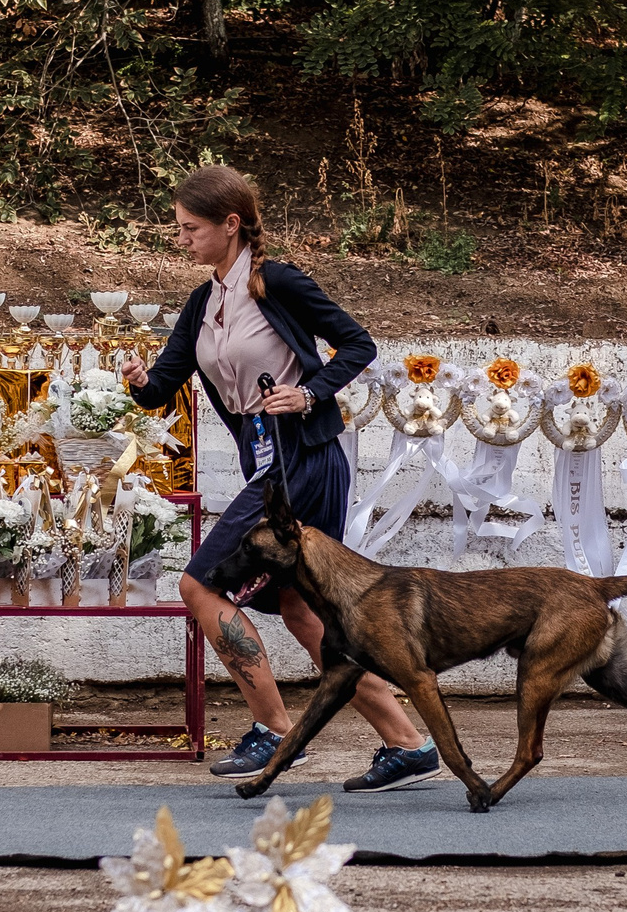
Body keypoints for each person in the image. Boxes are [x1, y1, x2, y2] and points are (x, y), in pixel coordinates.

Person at [120, 165, 442, 790]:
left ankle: (274, 732)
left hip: (304, 461)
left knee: (199, 585)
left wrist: (311, 394)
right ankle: (408, 744)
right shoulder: (203, 302)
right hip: (268, 462)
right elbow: (164, 388)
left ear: (230, 225)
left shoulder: (279, 284)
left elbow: (357, 345)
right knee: (303, 608)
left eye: (191, 228)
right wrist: (139, 380)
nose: (180, 238)